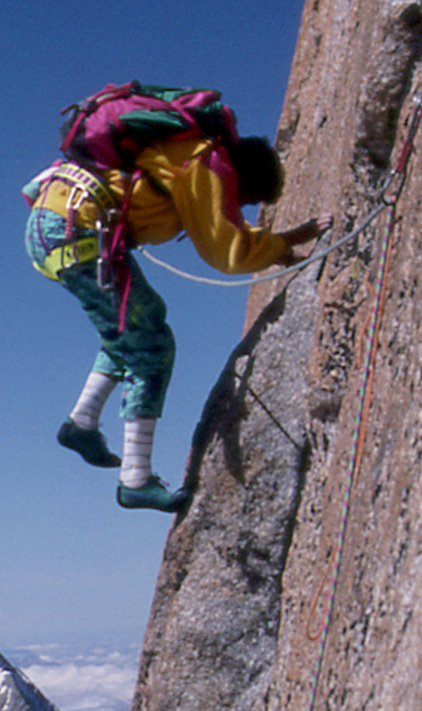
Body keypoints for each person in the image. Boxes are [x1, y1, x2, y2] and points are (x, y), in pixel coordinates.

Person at [24, 129, 327, 512]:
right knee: (152, 345)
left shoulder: (192, 153)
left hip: (58, 223)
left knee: (135, 327)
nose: (241, 205)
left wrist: (281, 247)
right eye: (247, 198)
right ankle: (135, 479)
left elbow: (220, 226)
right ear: (243, 177)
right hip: (74, 229)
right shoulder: (207, 166)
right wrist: (283, 245)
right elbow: (226, 252)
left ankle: (81, 423)